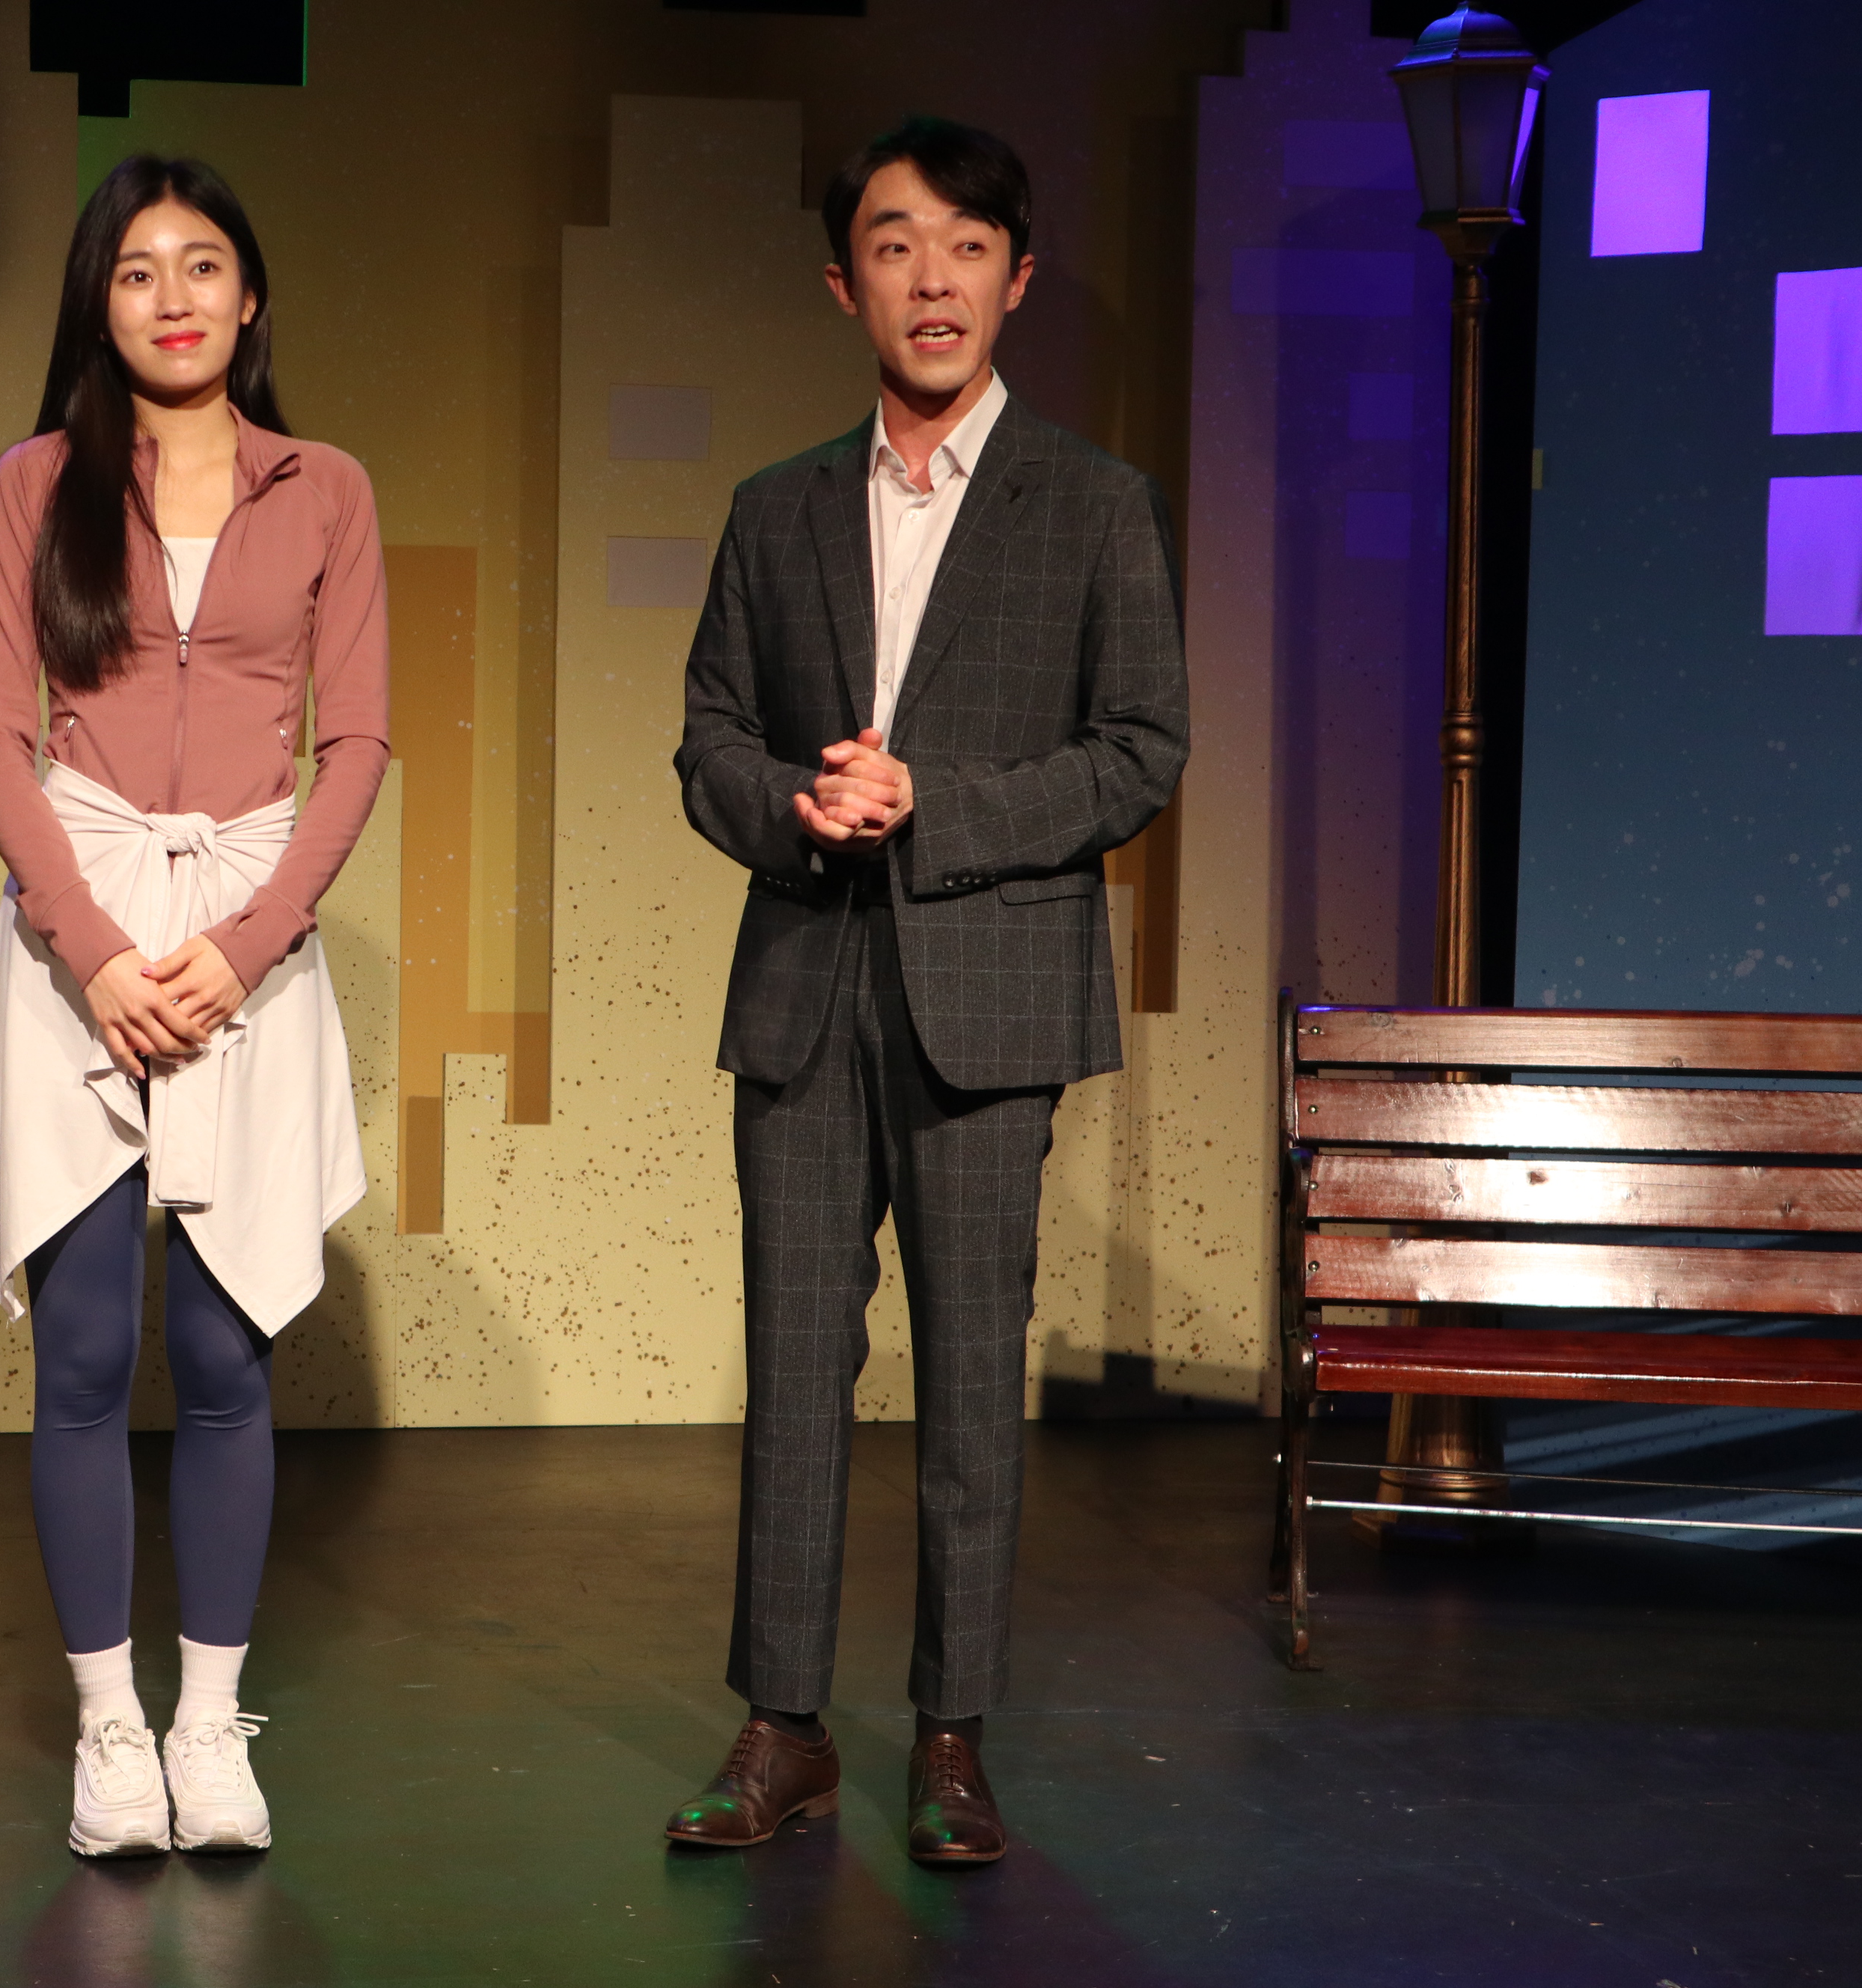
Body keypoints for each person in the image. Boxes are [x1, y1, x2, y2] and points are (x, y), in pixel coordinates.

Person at [667, 117, 1188, 1863]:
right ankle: (784, 1724)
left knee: (972, 1371)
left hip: (992, 991)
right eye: (896, 245)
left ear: (1017, 279)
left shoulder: (1096, 504)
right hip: (807, 979)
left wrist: (933, 807)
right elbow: (709, 739)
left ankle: (953, 1734)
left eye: (968, 245)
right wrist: (795, 807)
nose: (934, 278)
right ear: (847, 284)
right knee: (796, 1361)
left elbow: (1141, 750)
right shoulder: (777, 507)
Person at [0, 154, 385, 1859]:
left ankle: (209, 1723)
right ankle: (108, 1729)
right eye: (136, 270)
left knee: (219, 1348)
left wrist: (248, 943)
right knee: (83, 1351)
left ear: (250, 297)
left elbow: (359, 743)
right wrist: (97, 950)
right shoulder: (34, 481)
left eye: (203, 265)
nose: (173, 295)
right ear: (97, 302)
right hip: (82, 929)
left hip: (249, 927)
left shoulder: (325, 487)